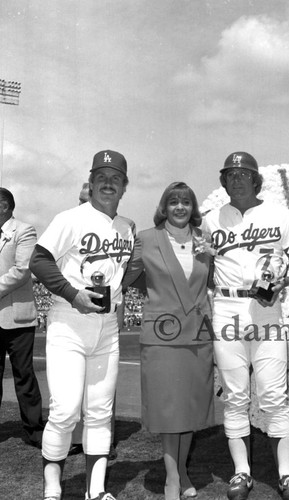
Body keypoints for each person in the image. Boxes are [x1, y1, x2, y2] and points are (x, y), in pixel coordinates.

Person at [29, 150, 135, 500]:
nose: (108, 183)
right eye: (101, 177)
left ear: (124, 187)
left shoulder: (126, 228)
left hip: (106, 327)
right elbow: (39, 261)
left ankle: (96, 490)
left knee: (100, 412)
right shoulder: (70, 218)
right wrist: (72, 294)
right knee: (65, 410)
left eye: (115, 178)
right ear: (90, 183)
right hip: (69, 321)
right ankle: (52, 484)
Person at [201, 152, 289, 500]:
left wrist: (282, 281)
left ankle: (287, 474)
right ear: (224, 180)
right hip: (227, 307)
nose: (237, 179)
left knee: (274, 395)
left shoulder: (278, 214)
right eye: (230, 174)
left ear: (256, 180)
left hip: (266, 307)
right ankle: (241, 472)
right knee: (235, 396)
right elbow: (200, 266)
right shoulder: (211, 220)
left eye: (243, 174)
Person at [124, 181, 214, 500]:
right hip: (161, 337)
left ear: (193, 207)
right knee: (168, 409)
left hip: (198, 336)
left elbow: (214, 279)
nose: (179, 207)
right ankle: (172, 478)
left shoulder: (206, 241)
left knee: (188, 409)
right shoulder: (146, 239)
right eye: (173, 201)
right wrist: (159, 297)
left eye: (185, 202)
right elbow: (127, 276)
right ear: (164, 206)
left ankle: (183, 470)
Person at [70, 182, 118, 461]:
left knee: (102, 386)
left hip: (106, 312)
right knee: (73, 386)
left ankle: (103, 441)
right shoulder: (72, 225)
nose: (83, 203)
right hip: (74, 315)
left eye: (86, 198)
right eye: (80, 199)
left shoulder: (113, 229)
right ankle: (78, 439)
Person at [0, 187, 44, 448]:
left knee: (24, 374)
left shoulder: (24, 230)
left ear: (4, 206)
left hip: (18, 318)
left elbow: (22, 270)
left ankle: (35, 430)